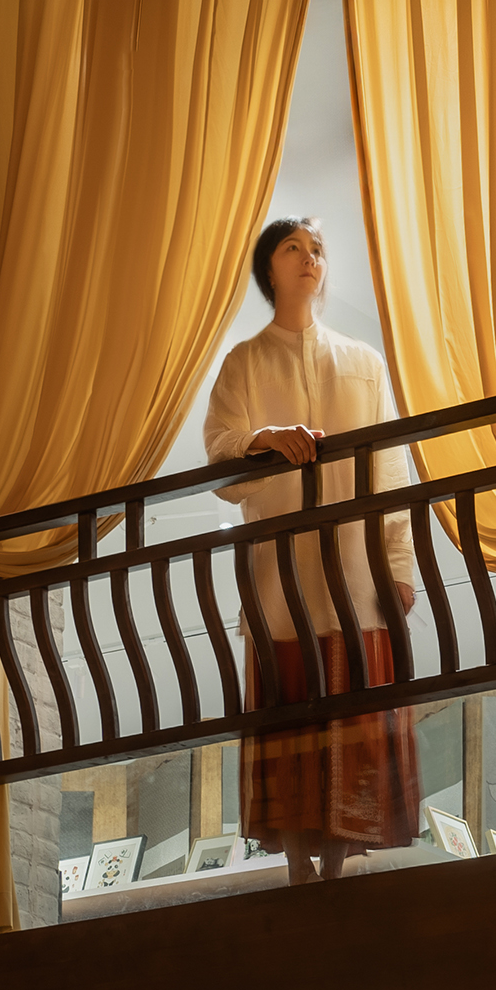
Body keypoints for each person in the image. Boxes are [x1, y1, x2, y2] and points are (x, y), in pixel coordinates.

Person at [204, 217, 422, 884]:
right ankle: (301, 873)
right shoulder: (243, 362)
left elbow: (389, 471)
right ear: (268, 268)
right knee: (291, 719)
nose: (308, 257)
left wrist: (400, 564)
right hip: (280, 584)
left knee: (353, 714)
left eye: (317, 249)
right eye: (293, 247)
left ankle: (333, 872)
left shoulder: (365, 363)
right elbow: (222, 465)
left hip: (357, 577)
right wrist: (263, 439)